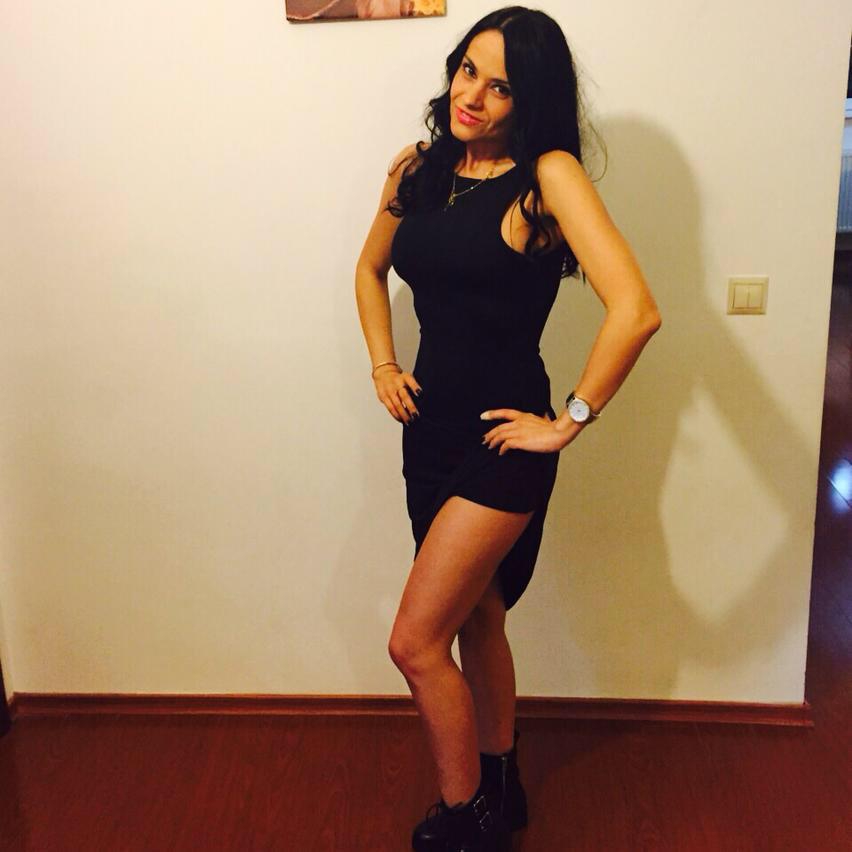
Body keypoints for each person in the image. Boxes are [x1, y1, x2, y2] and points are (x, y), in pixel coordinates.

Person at [354, 6, 662, 850]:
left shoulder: (547, 177)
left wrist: (568, 421)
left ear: (531, 100)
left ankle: (469, 822)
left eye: (501, 87)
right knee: (479, 617)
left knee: (415, 642)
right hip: (429, 433)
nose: (474, 96)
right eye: (468, 71)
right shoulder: (418, 169)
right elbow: (371, 269)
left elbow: (635, 310)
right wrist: (384, 365)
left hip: (501, 440)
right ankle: (502, 786)